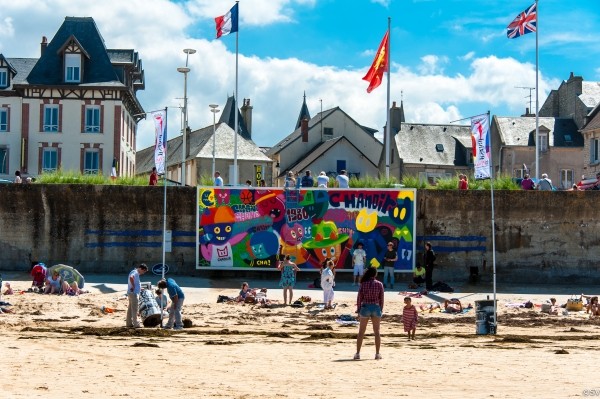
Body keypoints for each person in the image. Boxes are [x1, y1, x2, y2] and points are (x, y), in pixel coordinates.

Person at [355, 266, 384, 360]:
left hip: (365, 306)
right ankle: (377, 353)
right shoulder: (379, 284)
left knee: (361, 332)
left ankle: (358, 353)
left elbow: (359, 298)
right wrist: (381, 309)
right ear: (375, 274)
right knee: (377, 332)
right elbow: (381, 298)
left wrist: (359, 309)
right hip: (376, 307)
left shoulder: (363, 284)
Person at [126, 263, 148, 328]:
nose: (143, 273)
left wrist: (139, 288)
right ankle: (136, 324)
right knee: (134, 309)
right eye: (143, 271)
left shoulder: (135, 272)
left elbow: (134, 281)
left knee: (130, 309)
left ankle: (129, 323)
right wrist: (133, 286)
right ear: (141, 269)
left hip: (131, 293)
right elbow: (131, 278)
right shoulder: (135, 272)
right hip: (134, 293)